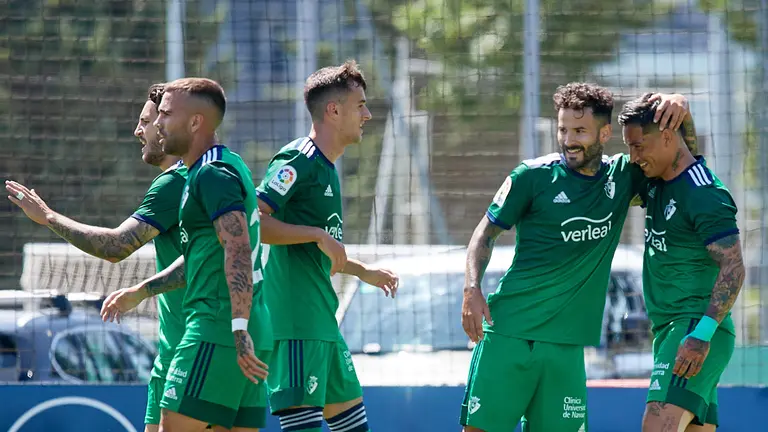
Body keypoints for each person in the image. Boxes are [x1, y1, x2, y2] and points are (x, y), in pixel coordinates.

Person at [459, 83, 696, 432]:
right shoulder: (531, 177)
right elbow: (484, 234)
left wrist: (683, 114)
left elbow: (682, 164)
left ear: (604, 133)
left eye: (580, 131)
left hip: (567, 349)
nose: (569, 139)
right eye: (563, 129)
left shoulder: (624, 177)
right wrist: (471, 288)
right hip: (509, 335)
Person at [5, 83, 187, 432]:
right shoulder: (211, 171)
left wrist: (49, 218)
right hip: (173, 343)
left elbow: (116, 246)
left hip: (196, 344)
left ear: (169, 125)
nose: (138, 130)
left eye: (146, 121)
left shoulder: (179, 182)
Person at [104, 77, 272, 432]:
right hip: (245, 323)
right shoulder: (223, 165)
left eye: (165, 114)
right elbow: (204, 253)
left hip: (217, 324)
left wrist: (238, 329)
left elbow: (237, 248)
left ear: (195, 122)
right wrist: (143, 290)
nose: (157, 123)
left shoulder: (211, 174)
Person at [254, 60, 398, 432]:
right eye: (360, 105)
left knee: (353, 428)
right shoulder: (297, 161)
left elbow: (320, 246)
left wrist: (361, 270)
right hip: (297, 322)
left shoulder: (326, 169)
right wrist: (316, 234)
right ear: (333, 110)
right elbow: (254, 221)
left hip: (323, 324)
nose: (367, 114)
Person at [618, 93, 745, 432]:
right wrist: (681, 108)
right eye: (629, 147)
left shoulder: (704, 193)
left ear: (666, 137)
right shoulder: (658, 181)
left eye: (639, 146)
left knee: (657, 424)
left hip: (693, 328)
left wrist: (700, 336)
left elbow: (734, 268)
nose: (633, 157)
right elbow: (681, 146)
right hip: (673, 330)